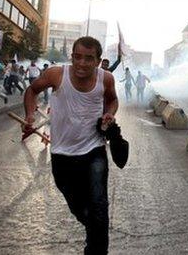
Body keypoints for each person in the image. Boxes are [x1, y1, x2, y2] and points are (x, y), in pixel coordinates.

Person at [23, 36, 118, 254]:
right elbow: (32, 90)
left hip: (94, 150)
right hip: (62, 154)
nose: (82, 63)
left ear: (98, 61)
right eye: (77, 57)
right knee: (78, 207)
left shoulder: (106, 79)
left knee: (99, 206)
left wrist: (109, 114)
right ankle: (94, 228)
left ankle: (96, 248)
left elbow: (112, 100)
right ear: (72, 57)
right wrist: (29, 115)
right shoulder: (57, 74)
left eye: (88, 58)